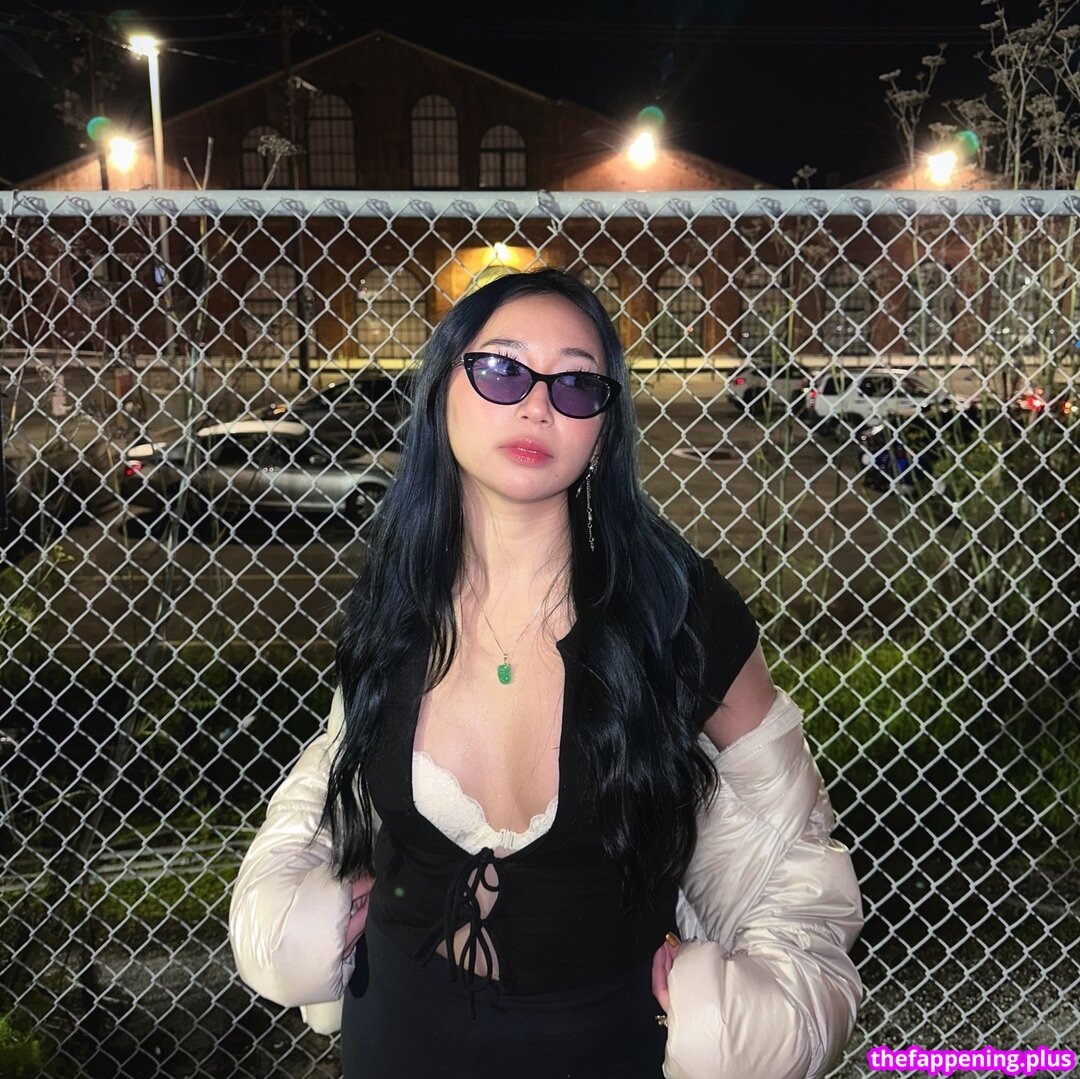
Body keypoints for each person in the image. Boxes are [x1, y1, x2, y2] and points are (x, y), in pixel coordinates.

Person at [229, 267, 863, 1078]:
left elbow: (789, 838)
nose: (537, 404)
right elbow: (334, 765)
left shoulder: (676, 605)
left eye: (575, 383)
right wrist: (284, 916)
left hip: (609, 1043)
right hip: (394, 1032)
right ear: (442, 388)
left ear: (603, 424)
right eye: (502, 369)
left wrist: (758, 1016)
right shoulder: (397, 594)